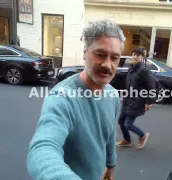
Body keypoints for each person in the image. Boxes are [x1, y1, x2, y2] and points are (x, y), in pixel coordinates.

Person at [26, 19, 126, 180]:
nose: (108, 65)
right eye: (100, 55)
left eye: (115, 58)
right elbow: (43, 148)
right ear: (85, 53)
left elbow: (109, 135)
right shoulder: (62, 97)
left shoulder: (113, 95)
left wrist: (110, 167)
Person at [116, 47, 156, 149]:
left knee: (127, 124)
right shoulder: (131, 68)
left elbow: (152, 87)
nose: (135, 56)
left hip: (137, 101)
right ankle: (127, 140)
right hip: (127, 100)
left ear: (142, 57)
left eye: (138, 55)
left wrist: (148, 102)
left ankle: (142, 135)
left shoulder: (144, 71)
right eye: (134, 54)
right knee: (121, 122)